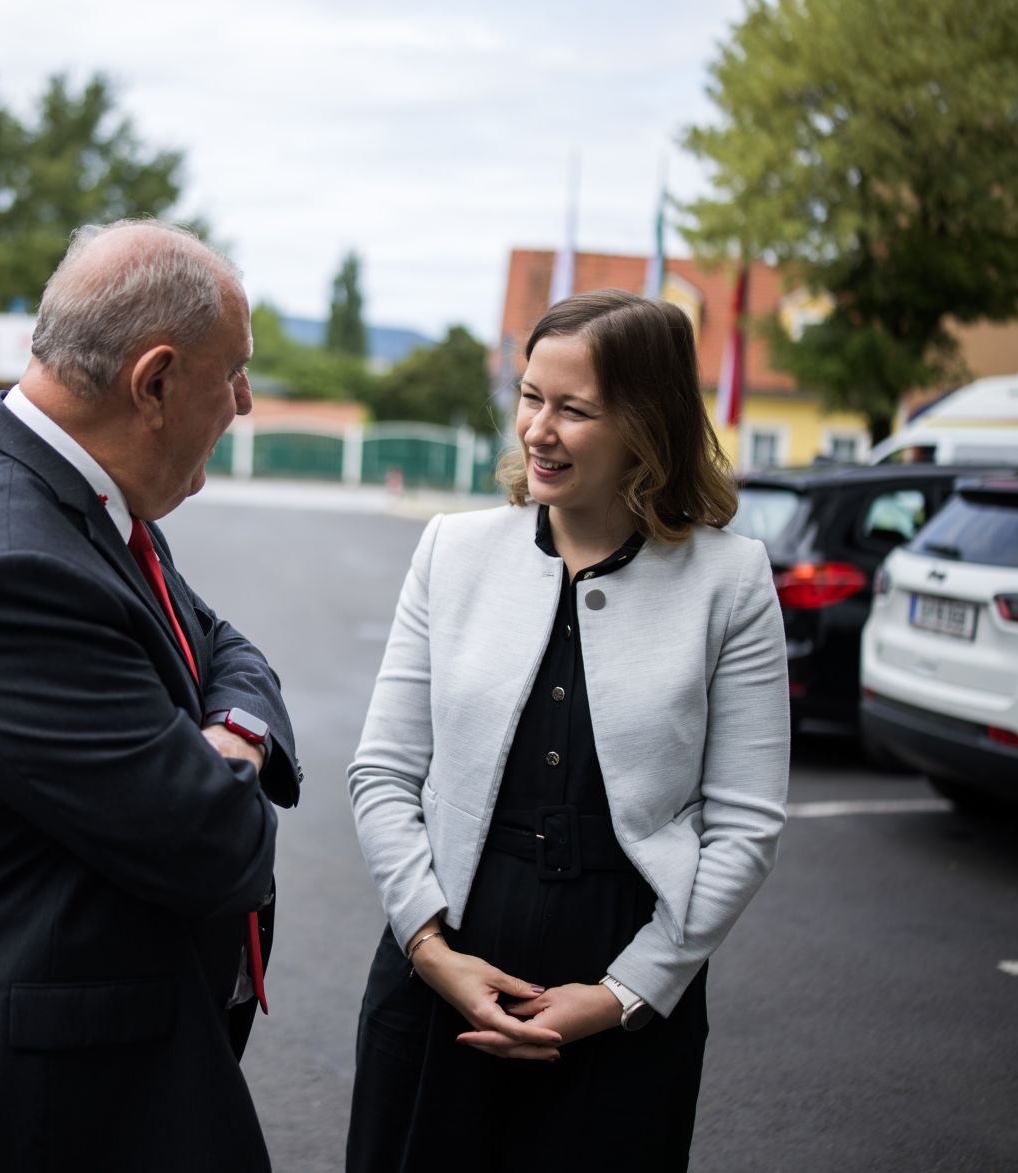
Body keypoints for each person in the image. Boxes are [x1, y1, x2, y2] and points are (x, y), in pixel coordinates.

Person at [0, 219, 302, 1173]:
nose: (247, 401)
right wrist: (220, 774)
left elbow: (223, 643)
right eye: (235, 373)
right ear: (156, 381)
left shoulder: (63, 489)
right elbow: (214, 844)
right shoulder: (10, 559)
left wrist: (230, 736)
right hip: (51, 1108)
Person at [345, 289, 789, 1172]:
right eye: (530, 396)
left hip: (623, 980)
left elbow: (744, 826)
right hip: (439, 962)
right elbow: (384, 774)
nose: (538, 430)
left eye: (574, 409)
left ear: (646, 423)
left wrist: (628, 993)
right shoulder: (452, 549)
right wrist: (430, 948)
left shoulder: (728, 581)